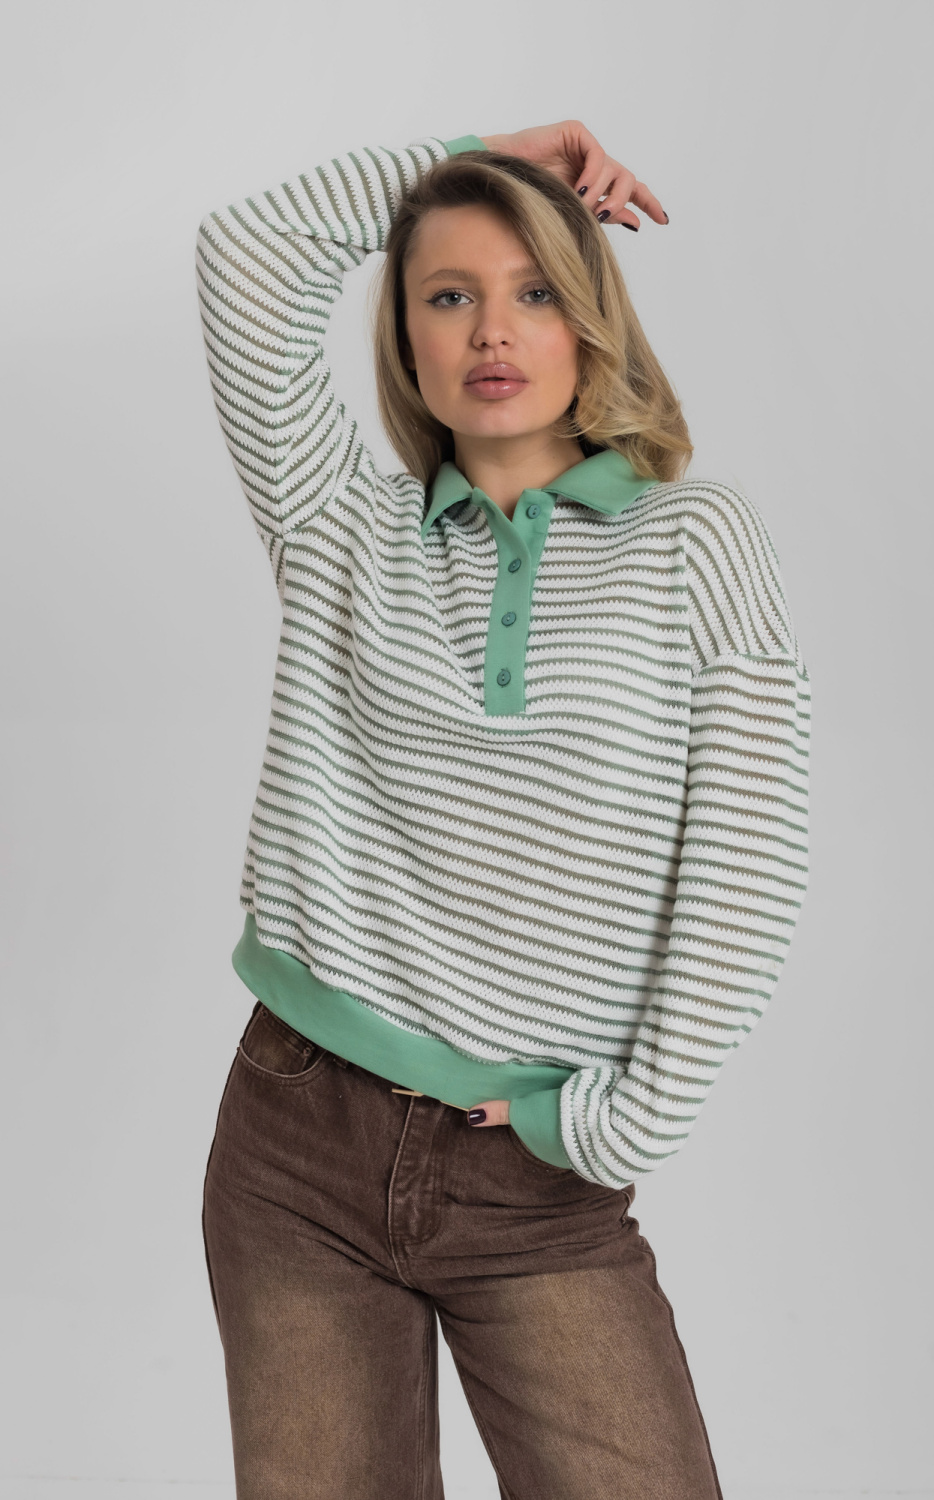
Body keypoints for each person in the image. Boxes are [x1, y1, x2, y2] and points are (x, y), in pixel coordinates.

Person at [197, 119, 809, 1498]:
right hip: (295, 1141)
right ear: (404, 335)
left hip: (538, 1177)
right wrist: (477, 156)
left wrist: (620, 1125)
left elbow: (748, 866)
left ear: (591, 318)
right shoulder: (339, 525)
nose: (492, 328)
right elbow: (245, 252)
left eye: (535, 289)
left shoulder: (697, 543)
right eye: (447, 293)